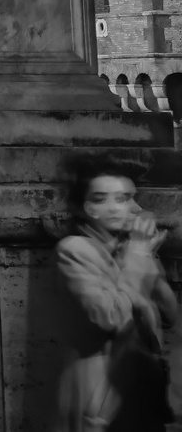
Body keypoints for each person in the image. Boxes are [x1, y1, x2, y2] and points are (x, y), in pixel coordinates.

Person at [54, 160, 173, 432]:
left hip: (143, 385)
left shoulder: (130, 250)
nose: (135, 208)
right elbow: (110, 316)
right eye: (121, 199)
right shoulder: (75, 250)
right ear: (92, 208)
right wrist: (139, 255)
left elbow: (169, 315)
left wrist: (148, 259)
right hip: (103, 392)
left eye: (131, 198)